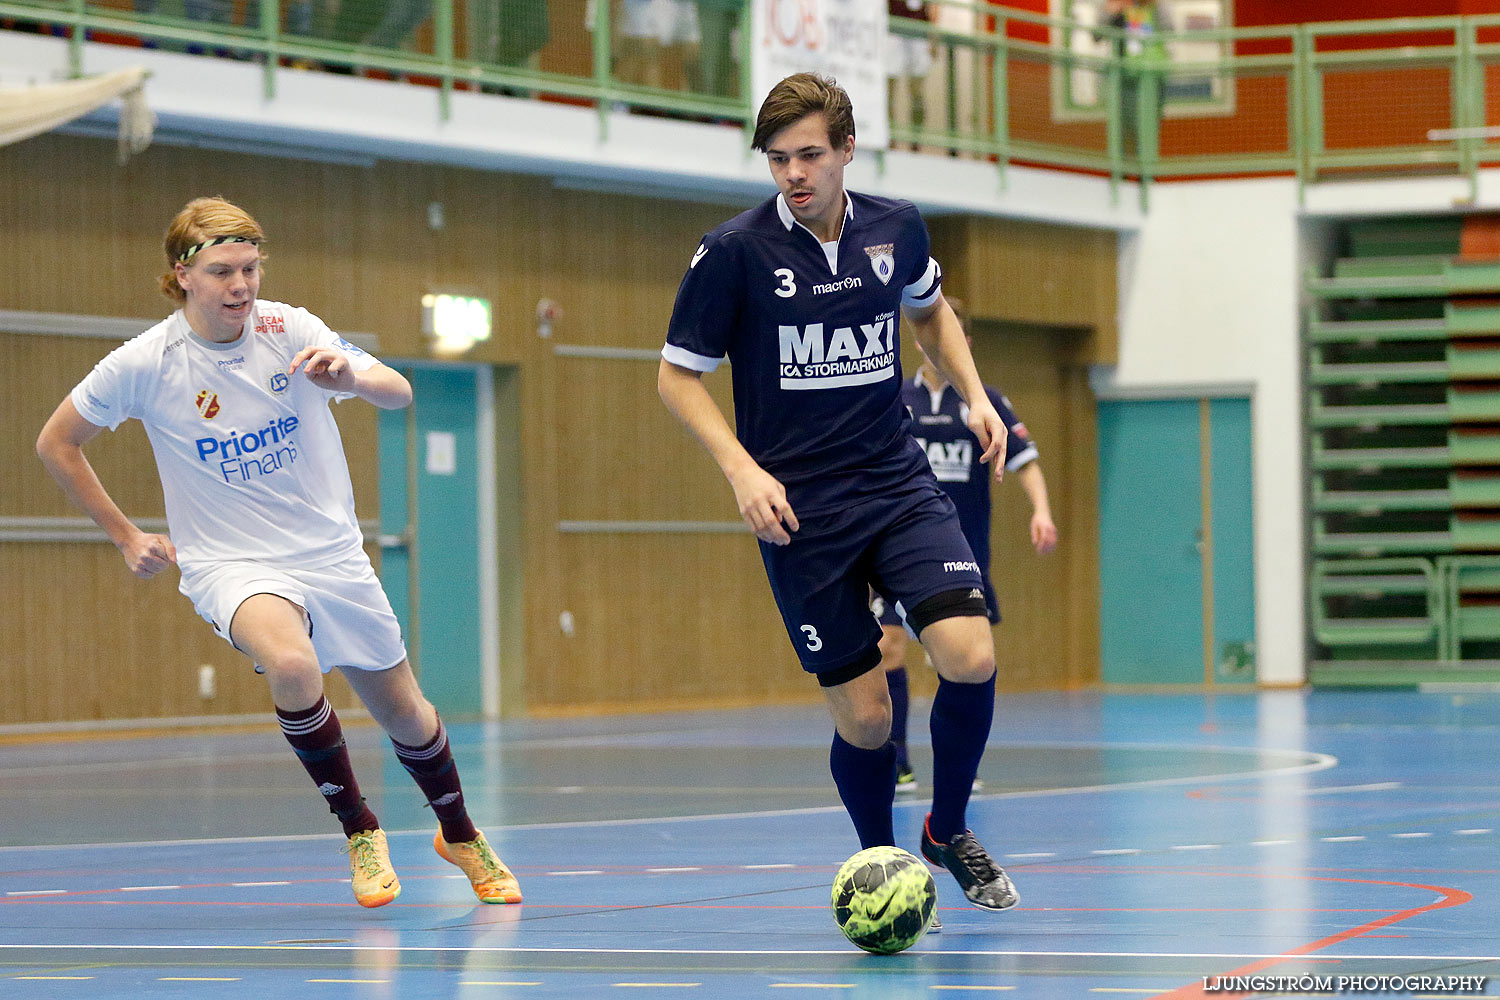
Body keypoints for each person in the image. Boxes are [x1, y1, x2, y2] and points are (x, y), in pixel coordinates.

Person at [35, 196, 521, 910]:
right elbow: (57, 443)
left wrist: (351, 375)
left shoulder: (289, 327)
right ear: (184, 276)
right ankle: (359, 827)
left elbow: (399, 391)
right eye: (224, 271)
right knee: (292, 664)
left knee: (407, 715)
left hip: (330, 553)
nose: (241, 285)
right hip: (230, 562)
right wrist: (127, 535)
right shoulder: (145, 363)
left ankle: (459, 833)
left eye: (251, 268)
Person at [657, 72, 1018, 911]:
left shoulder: (897, 227)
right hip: (802, 512)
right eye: (779, 159)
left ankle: (947, 828)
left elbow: (928, 312)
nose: (795, 173)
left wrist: (969, 391)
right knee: (866, 720)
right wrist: (743, 470)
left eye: (811, 155)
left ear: (847, 149)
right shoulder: (735, 253)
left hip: (896, 483)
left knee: (970, 655)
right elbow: (677, 379)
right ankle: (883, 865)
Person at [876, 300, 1058, 791]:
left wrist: (1041, 510)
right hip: (895, 547)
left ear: (965, 342)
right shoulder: (896, 396)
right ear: (917, 340)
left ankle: (960, 765)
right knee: (887, 646)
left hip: (960, 550)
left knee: (957, 660)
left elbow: (1027, 461)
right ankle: (898, 762)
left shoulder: (985, 402)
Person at [1100, 0, 1171, 159]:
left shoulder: (1156, 6)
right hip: (1124, 76)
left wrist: (1154, 6)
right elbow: (1097, 35)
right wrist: (1111, 12)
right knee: (1123, 124)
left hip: (1152, 74)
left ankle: (1147, 168)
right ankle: (1123, 167)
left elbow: (1170, 29)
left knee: (1150, 123)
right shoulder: (1114, 5)